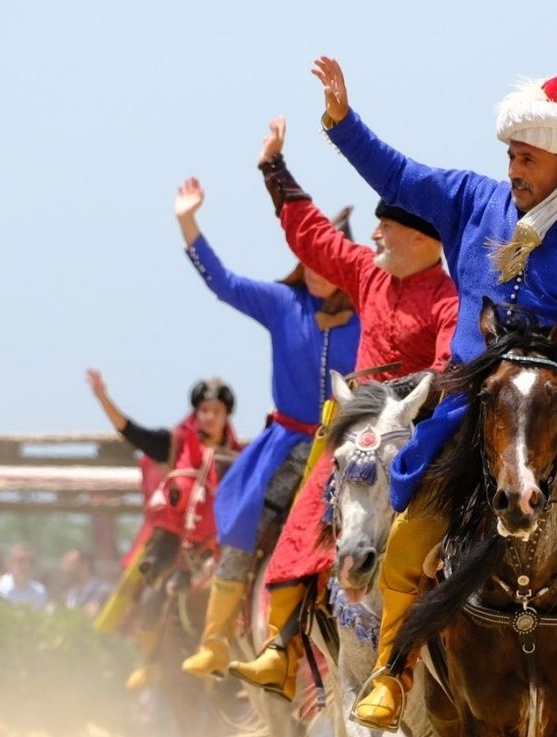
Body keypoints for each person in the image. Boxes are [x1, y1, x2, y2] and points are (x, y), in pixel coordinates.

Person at [310, 56, 557, 730]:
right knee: (409, 534)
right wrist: (344, 124)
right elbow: (399, 176)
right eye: (512, 155)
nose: (513, 168)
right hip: (470, 407)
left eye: (525, 156)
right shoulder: (470, 199)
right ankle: (390, 672)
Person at [226, 117, 457, 700]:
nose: (373, 237)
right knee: (305, 519)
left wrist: (400, 404)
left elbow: (448, 368)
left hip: (416, 445)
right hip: (354, 438)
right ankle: (279, 646)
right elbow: (312, 238)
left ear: (422, 241)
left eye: (384, 229)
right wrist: (273, 169)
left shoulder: (450, 299)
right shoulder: (365, 273)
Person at [175, 176, 362, 677]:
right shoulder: (283, 304)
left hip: (350, 444)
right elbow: (224, 283)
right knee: (244, 522)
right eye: (309, 260)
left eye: (327, 262)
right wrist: (188, 222)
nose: (317, 273)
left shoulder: (371, 315)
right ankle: (216, 639)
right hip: (286, 444)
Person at [88, 371, 240, 686]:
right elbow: (130, 431)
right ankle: (151, 660)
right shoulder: (173, 445)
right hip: (175, 539)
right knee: (151, 594)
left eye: (217, 411)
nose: (209, 417)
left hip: (220, 543)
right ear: (196, 413)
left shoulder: (238, 458)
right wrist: (104, 399)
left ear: (226, 416)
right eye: (204, 410)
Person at [61, 549, 111, 616]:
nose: (65, 569)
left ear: (85, 565)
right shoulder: (70, 592)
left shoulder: (101, 590)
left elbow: (91, 613)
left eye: (70, 565)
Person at [0, 543, 47, 608]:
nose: (27, 566)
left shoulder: (39, 592)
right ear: (10, 563)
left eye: (31, 561)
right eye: (21, 561)